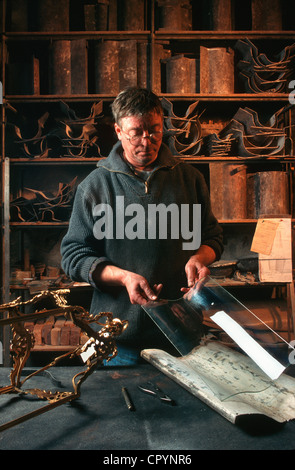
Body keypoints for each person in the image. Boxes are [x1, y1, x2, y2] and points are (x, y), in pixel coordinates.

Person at [61, 87, 223, 365]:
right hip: (116, 338)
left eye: (155, 130)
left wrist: (200, 258)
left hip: (181, 336)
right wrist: (123, 277)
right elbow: (74, 255)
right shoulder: (95, 186)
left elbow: (212, 237)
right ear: (118, 131)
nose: (146, 141)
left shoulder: (190, 180)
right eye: (136, 132)